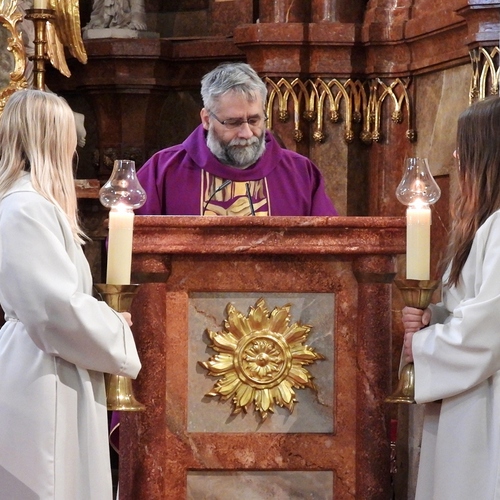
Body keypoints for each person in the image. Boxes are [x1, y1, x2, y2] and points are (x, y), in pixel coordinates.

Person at [0, 90, 141, 499]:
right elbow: (52, 309)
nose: (74, 151)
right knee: (50, 481)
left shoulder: (33, 204)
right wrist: (114, 326)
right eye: (70, 140)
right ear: (51, 140)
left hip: (54, 361)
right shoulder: (25, 208)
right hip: (41, 370)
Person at [401, 95, 500, 499]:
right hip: (470, 392)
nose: (456, 156)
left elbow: (488, 331)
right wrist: (435, 317)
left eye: (464, 146)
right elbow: (472, 308)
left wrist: (423, 345)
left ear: (488, 154)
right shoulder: (488, 224)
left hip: (487, 403)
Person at [136, 62, 338, 216]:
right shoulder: (163, 170)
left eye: (254, 120)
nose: (247, 133)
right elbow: (132, 241)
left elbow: (328, 246)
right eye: (233, 122)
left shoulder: (300, 173)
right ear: (207, 119)